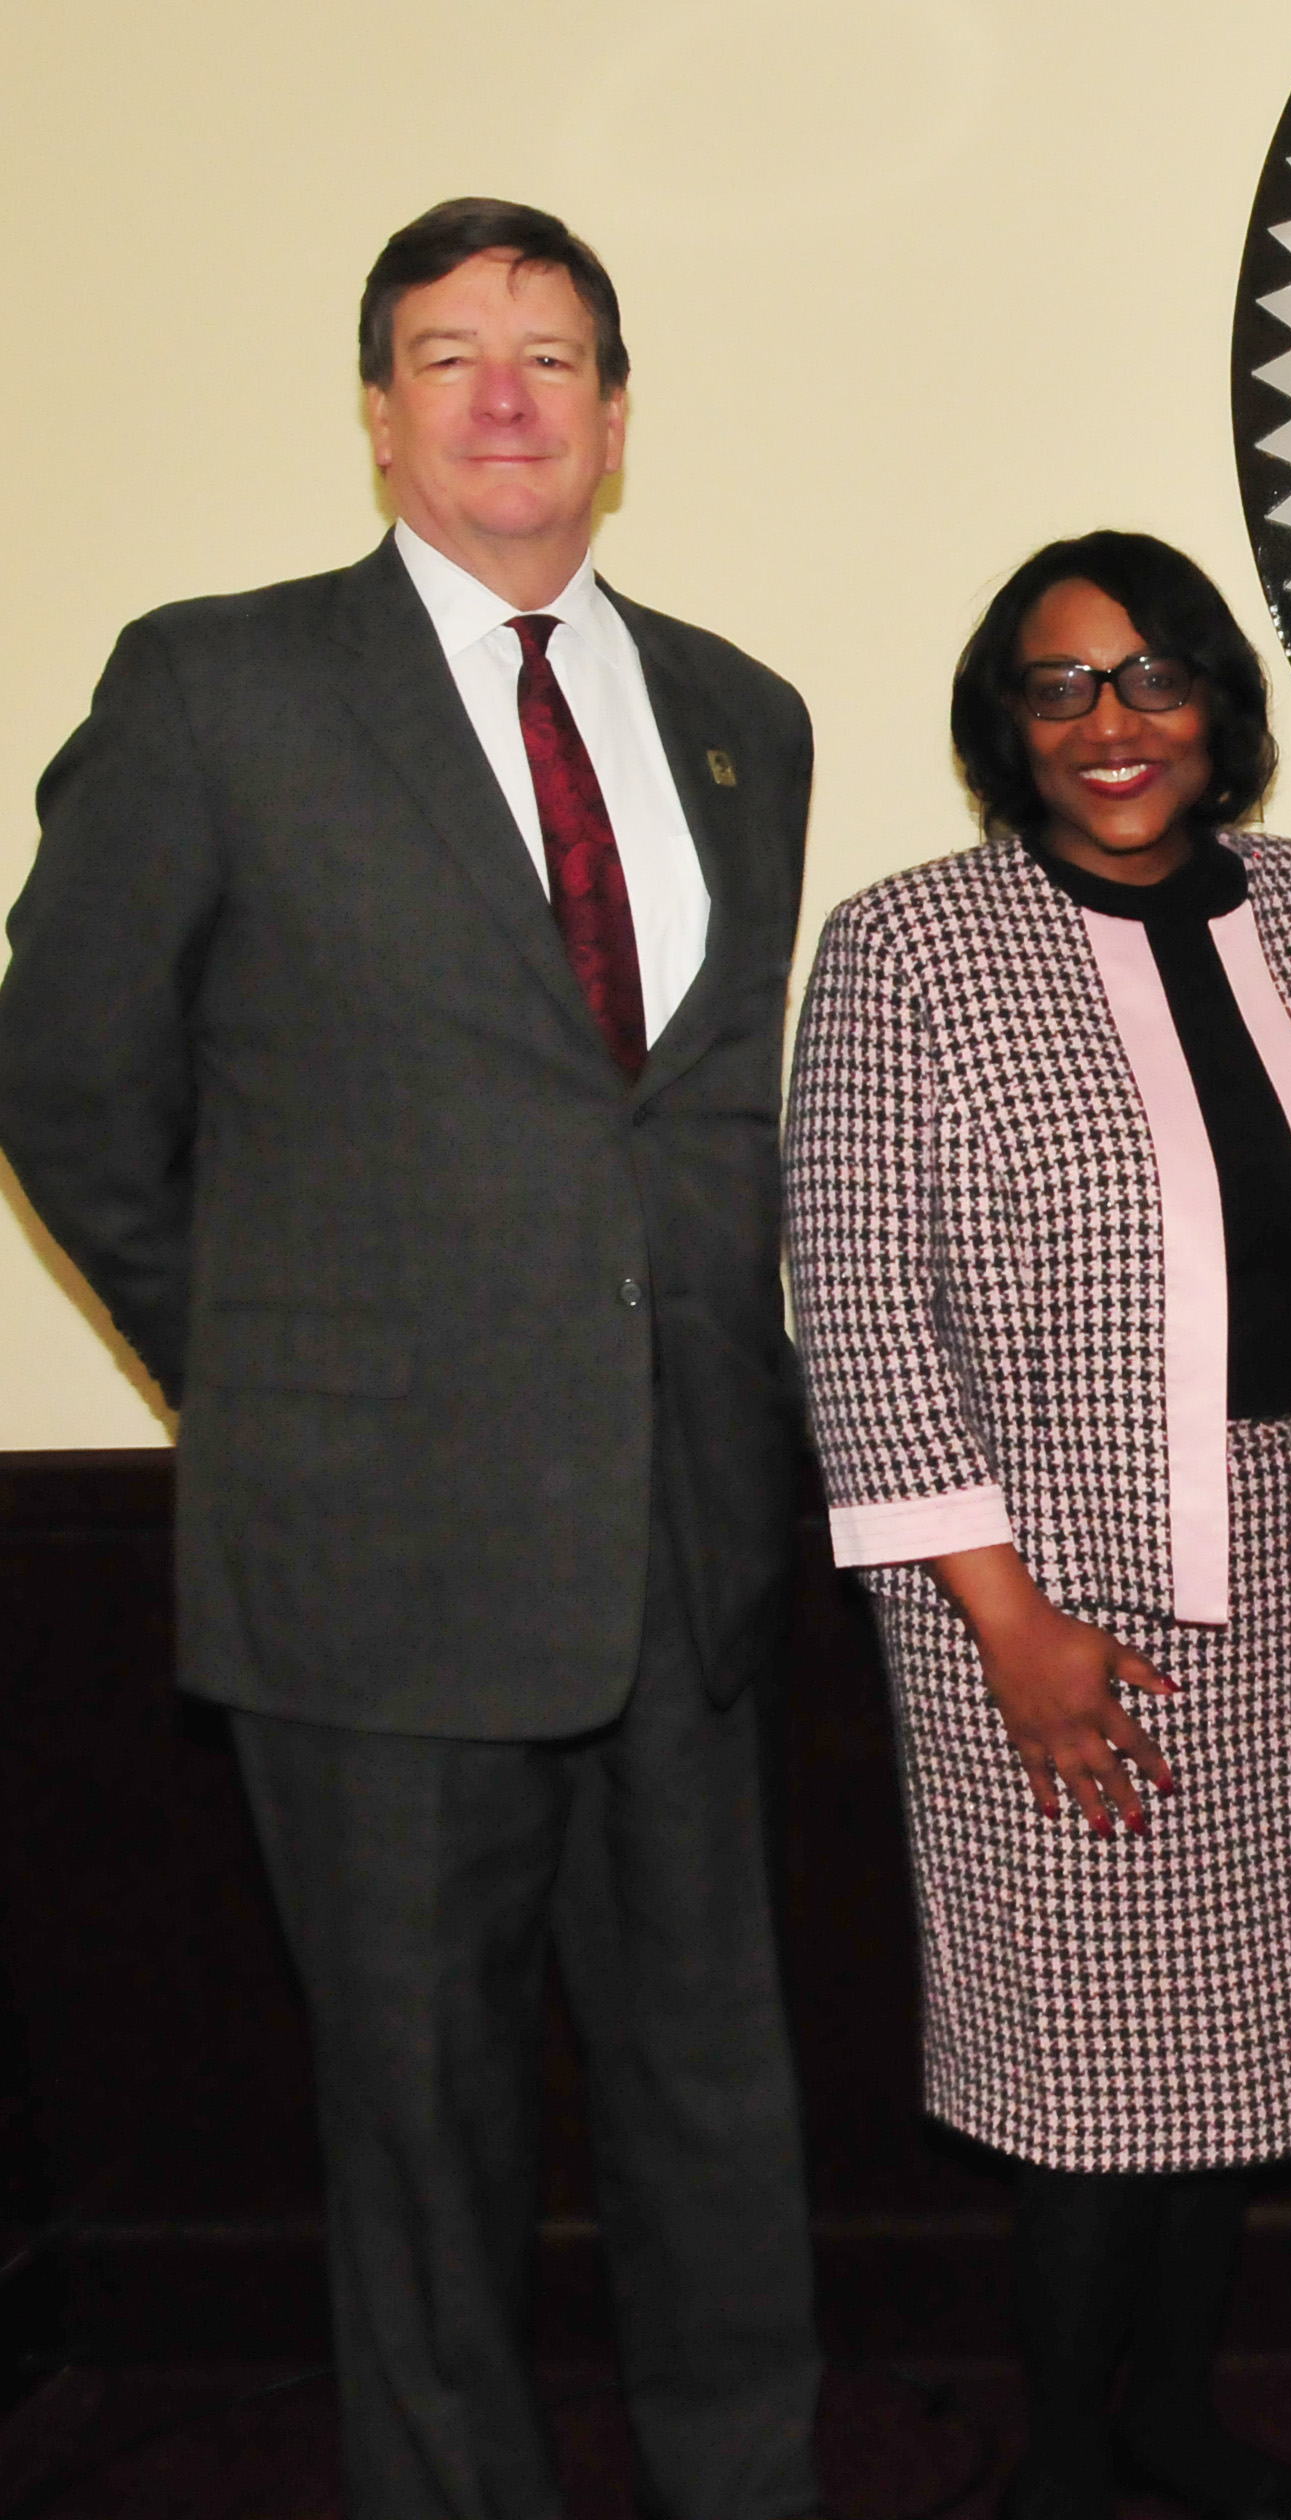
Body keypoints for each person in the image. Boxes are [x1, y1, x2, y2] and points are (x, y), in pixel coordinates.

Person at [0, 201, 823, 2520]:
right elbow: (68, 1086)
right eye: (447, 357)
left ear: (618, 419)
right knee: (425, 2150)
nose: (500, 400)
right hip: (367, 1576)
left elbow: (694, 1125)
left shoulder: (743, 720)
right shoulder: (215, 688)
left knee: (718, 2115)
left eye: (550, 359)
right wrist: (264, 1381)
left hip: (688, 1556)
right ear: (376, 418)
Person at [786, 531, 1291, 2520]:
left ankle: (1173, 2417)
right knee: (1086, 2075)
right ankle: (1061, 2454)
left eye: (1152, 678)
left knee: (1240, 2049)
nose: (1110, 723)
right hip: (1040, 1591)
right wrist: (1010, 1622)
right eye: (1060, 686)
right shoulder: (910, 947)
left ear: (1223, 707)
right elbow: (859, 1297)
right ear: (1007, 723)